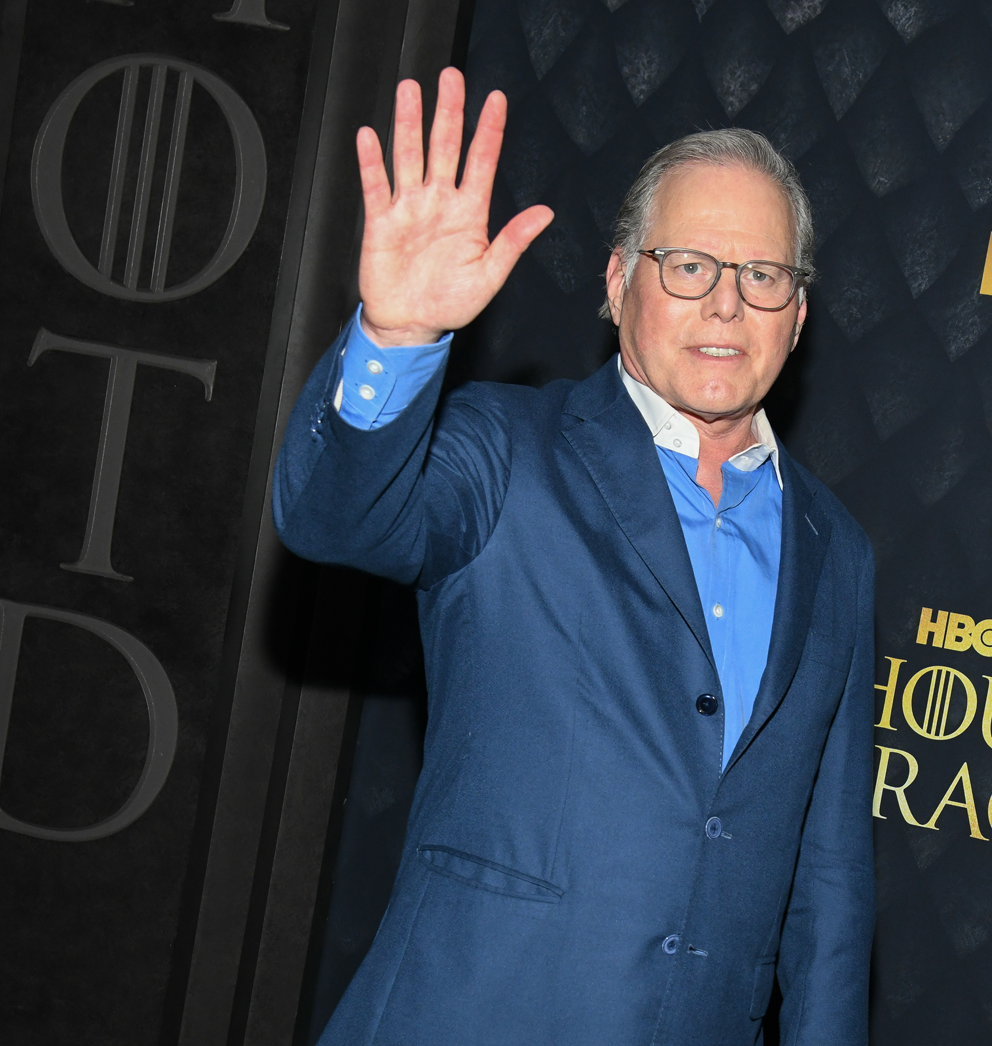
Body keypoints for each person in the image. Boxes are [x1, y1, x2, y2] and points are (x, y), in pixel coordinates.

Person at [274, 67, 874, 1046]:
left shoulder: (837, 549)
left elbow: (832, 878)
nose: (727, 303)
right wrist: (397, 336)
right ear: (616, 282)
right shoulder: (504, 449)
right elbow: (335, 518)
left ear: (799, 315)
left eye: (764, 275)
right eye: (686, 264)